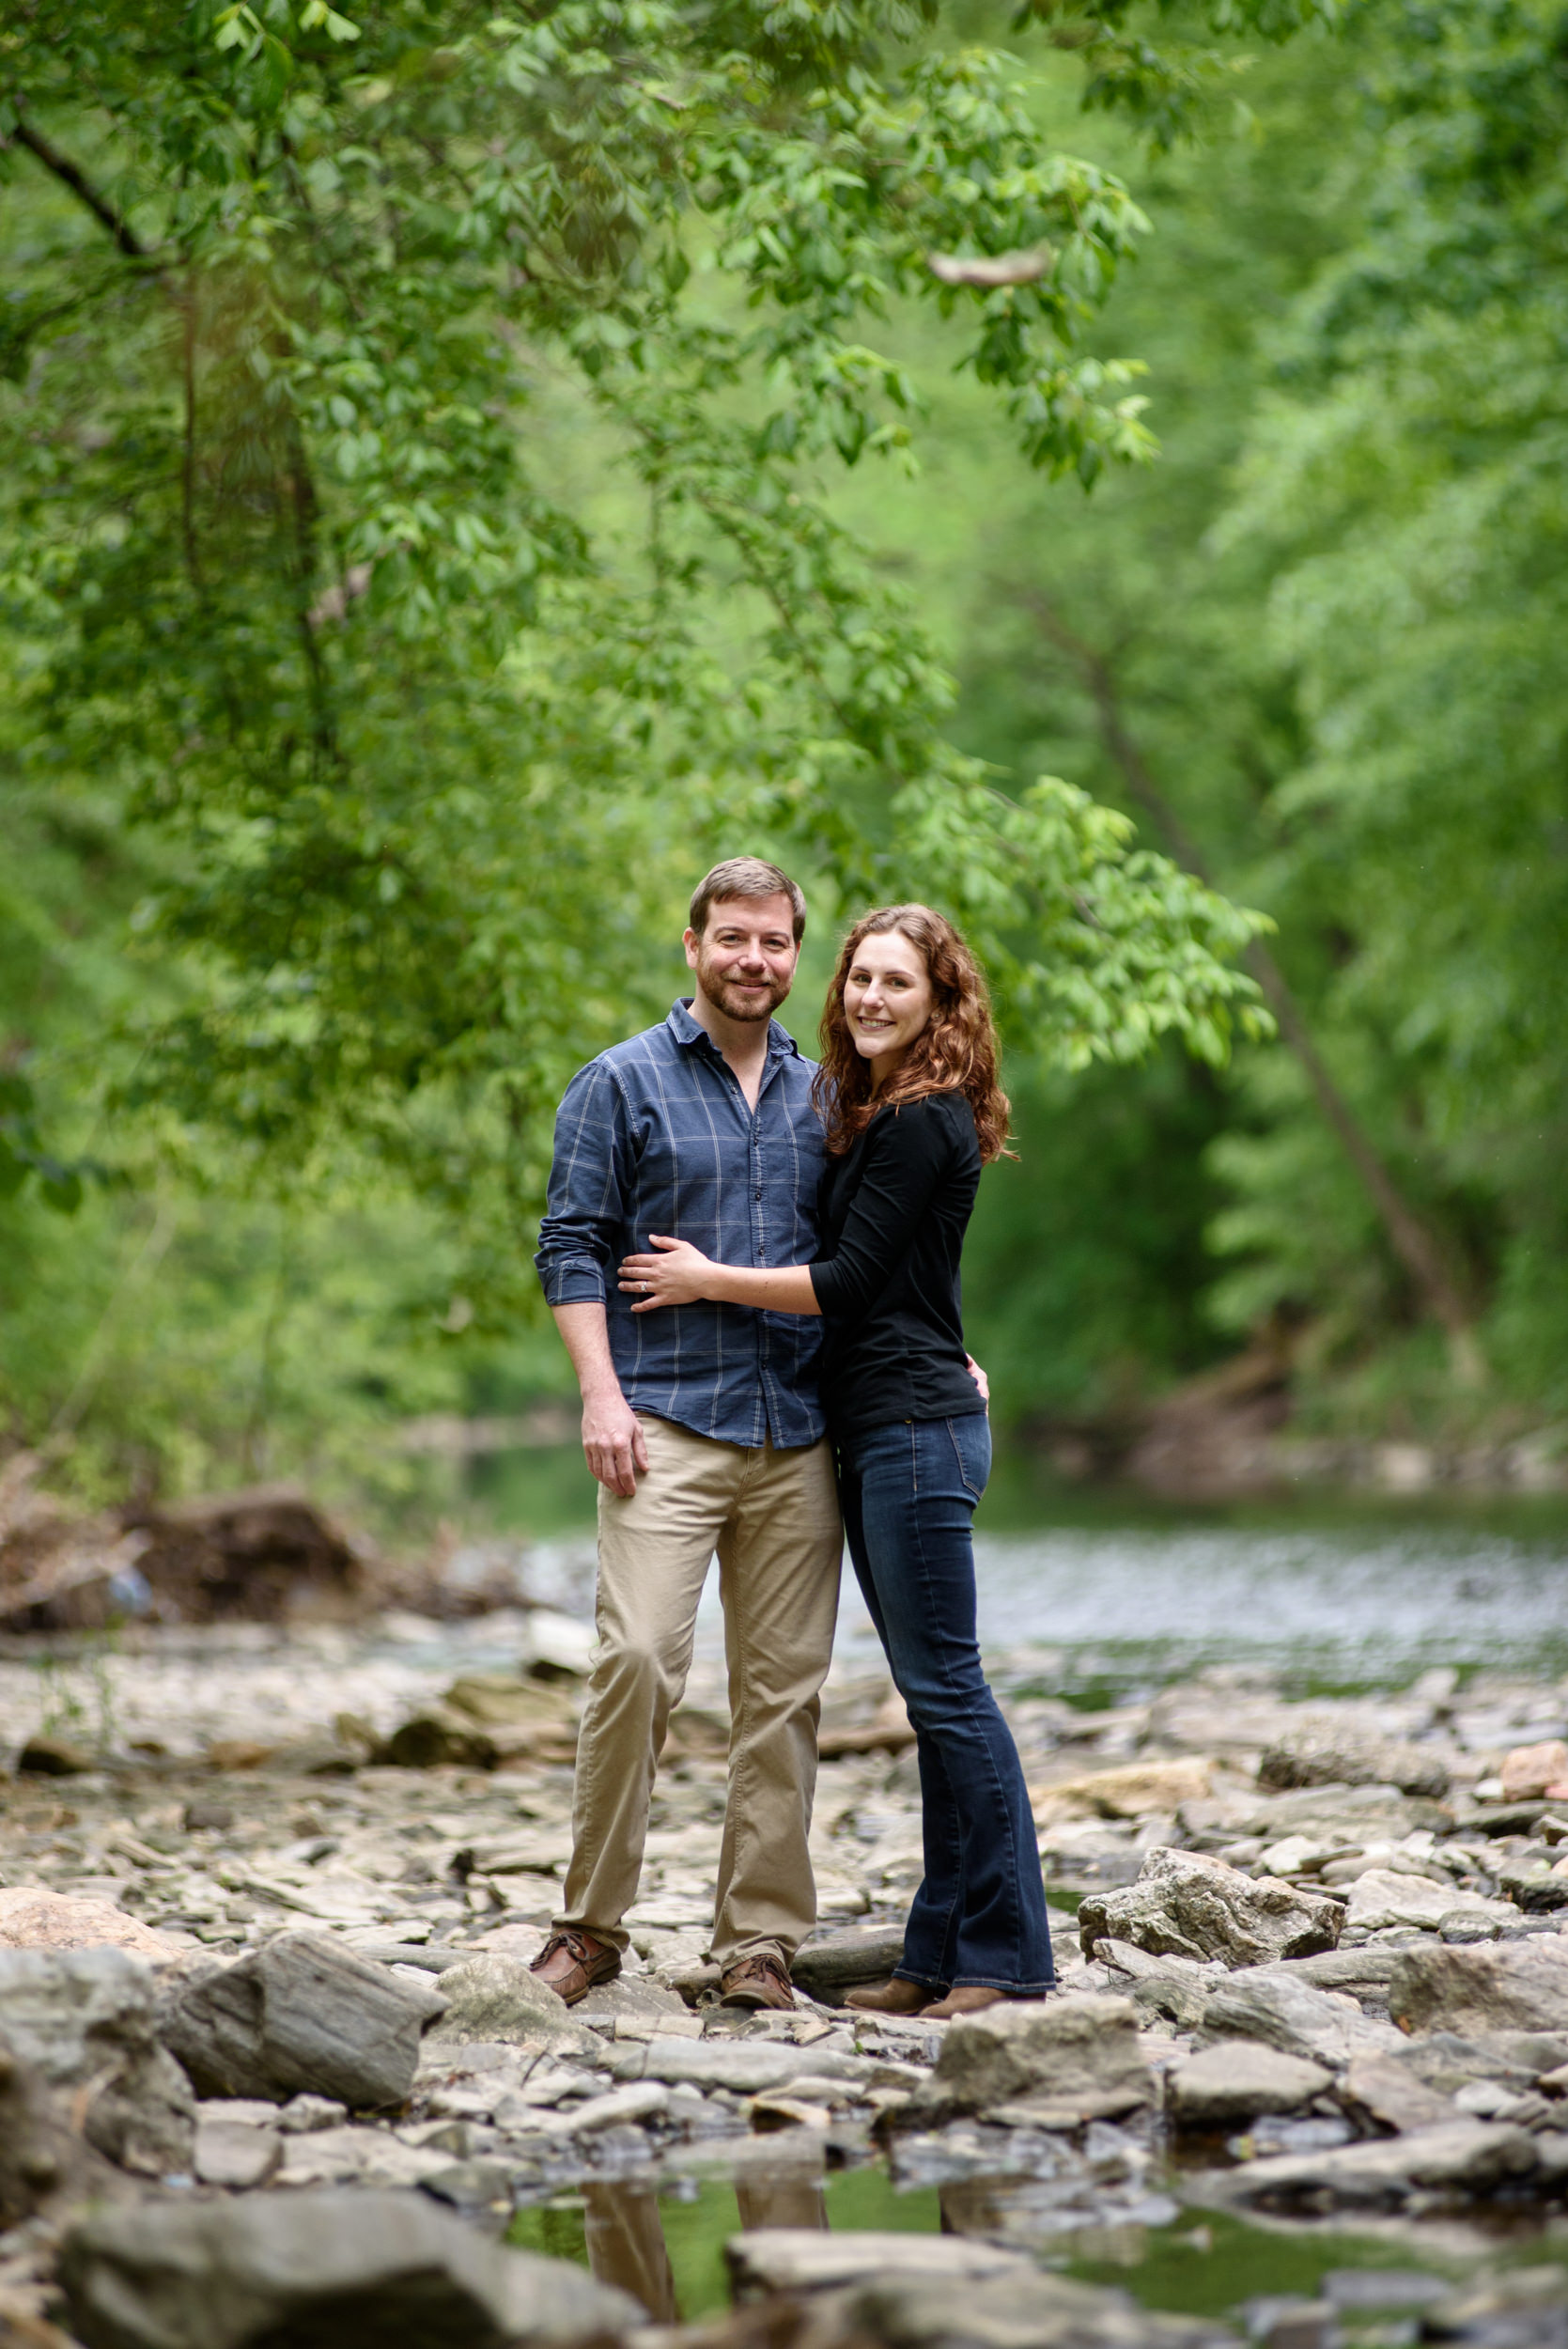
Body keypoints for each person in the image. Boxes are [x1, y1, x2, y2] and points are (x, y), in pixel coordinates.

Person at [619, 903, 1054, 2018]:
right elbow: (908, 1283)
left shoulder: (920, 1121)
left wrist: (709, 1278)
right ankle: (934, 1953)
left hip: (912, 1429)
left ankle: (1004, 1956)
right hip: (883, 1420)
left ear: (939, 1003)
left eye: (896, 984)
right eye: (859, 978)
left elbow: (851, 1281)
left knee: (950, 1692)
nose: (869, 997)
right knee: (931, 1693)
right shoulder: (879, 1109)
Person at [531, 858, 843, 2012]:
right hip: (662, 1421)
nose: (753, 960)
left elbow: (864, 1262)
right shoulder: (618, 1084)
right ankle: (591, 1924)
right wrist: (598, 1394)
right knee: (636, 1660)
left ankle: (757, 1943)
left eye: (773, 943)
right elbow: (570, 1247)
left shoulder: (829, 1099)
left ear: (793, 956)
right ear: (692, 944)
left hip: (798, 1432)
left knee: (782, 1694)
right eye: (733, 939)